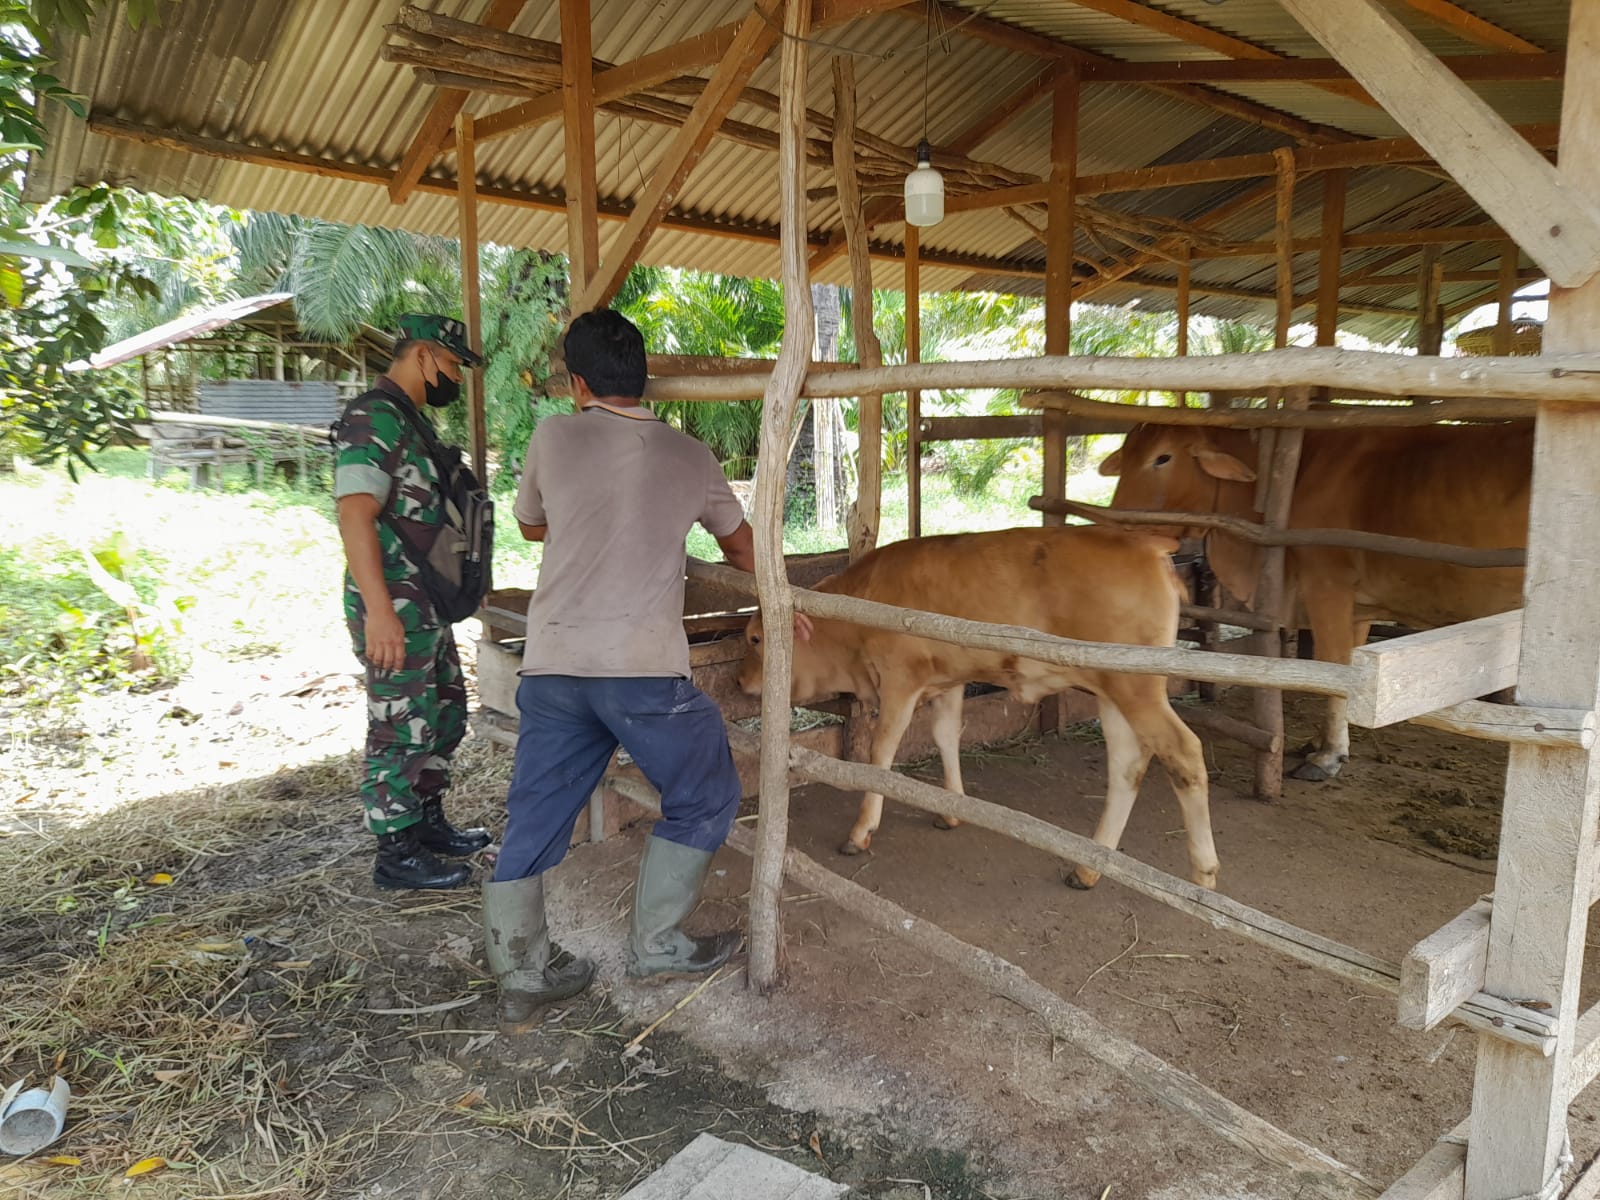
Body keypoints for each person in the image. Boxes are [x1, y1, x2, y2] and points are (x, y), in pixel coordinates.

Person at [482, 308, 757, 1033]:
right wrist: (782, 598)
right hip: (643, 675)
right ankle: (657, 945)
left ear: (577, 383)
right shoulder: (690, 455)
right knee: (705, 791)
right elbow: (740, 548)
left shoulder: (552, 434)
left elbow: (532, 524)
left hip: (554, 665)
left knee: (536, 809)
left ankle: (521, 972)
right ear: (645, 381)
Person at [333, 314, 492, 892]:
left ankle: (426, 824)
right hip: (393, 607)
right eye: (451, 365)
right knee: (400, 725)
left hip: (423, 604)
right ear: (424, 355)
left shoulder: (407, 420)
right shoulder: (372, 419)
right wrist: (378, 610)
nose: (454, 377)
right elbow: (355, 515)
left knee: (445, 711)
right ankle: (395, 850)